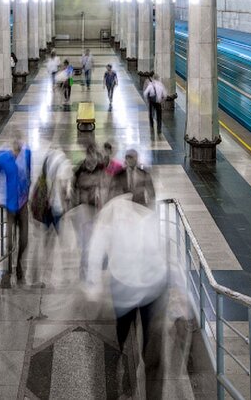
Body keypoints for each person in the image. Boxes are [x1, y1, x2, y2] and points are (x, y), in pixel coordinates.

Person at [86, 193, 168, 396]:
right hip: (124, 288)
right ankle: (121, 367)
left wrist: (179, 297)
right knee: (122, 332)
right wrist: (94, 281)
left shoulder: (154, 216)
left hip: (153, 289)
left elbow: (168, 255)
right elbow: (97, 244)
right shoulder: (115, 210)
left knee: (153, 352)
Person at [0, 139, 31, 281]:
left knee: (24, 239)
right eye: (15, 151)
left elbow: (29, 172)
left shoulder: (27, 154)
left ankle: (19, 262)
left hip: (22, 203)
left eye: (19, 152)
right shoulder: (3, 158)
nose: (17, 154)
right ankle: (7, 269)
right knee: (9, 240)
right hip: (9, 205)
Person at [72, 142, 106, 277]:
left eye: (95, 156)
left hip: (97, 209)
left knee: (95, 238)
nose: (94, 159)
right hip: (84, 209)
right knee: (87, 240)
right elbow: (74, 189)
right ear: (87, 155)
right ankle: (84, 268)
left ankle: (91, 265)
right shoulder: (79, 169)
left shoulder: (100, 167)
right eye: (92, 155)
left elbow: (104, 184)